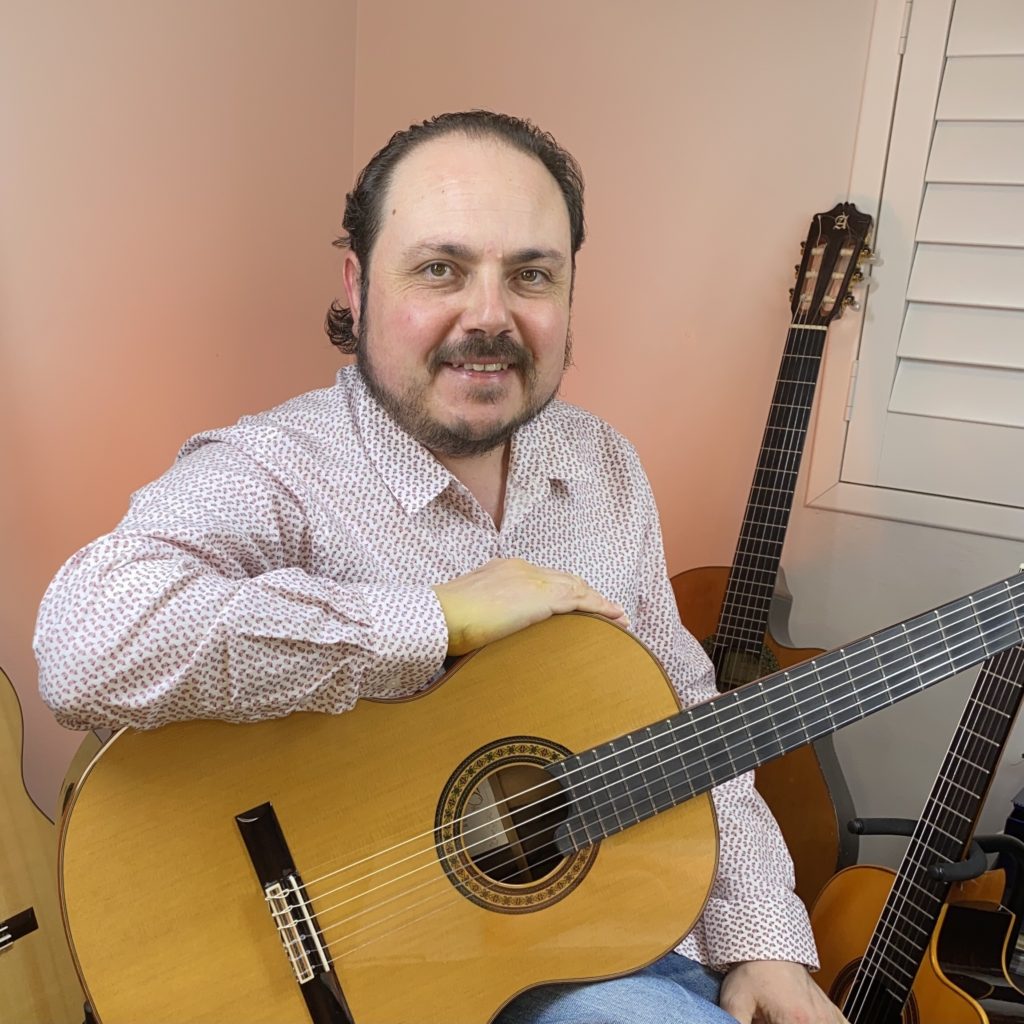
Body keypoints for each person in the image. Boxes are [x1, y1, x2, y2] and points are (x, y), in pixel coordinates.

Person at [36, 110, 846, 1024]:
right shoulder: (277, 468)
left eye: (531, 274)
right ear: (357, 285)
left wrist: (764, 938)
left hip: (579, 947)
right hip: (343, 983)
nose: (490, 316)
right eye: (440, 268)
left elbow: (688, 715)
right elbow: (85, 641)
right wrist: (437, 620)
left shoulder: (604, 467)